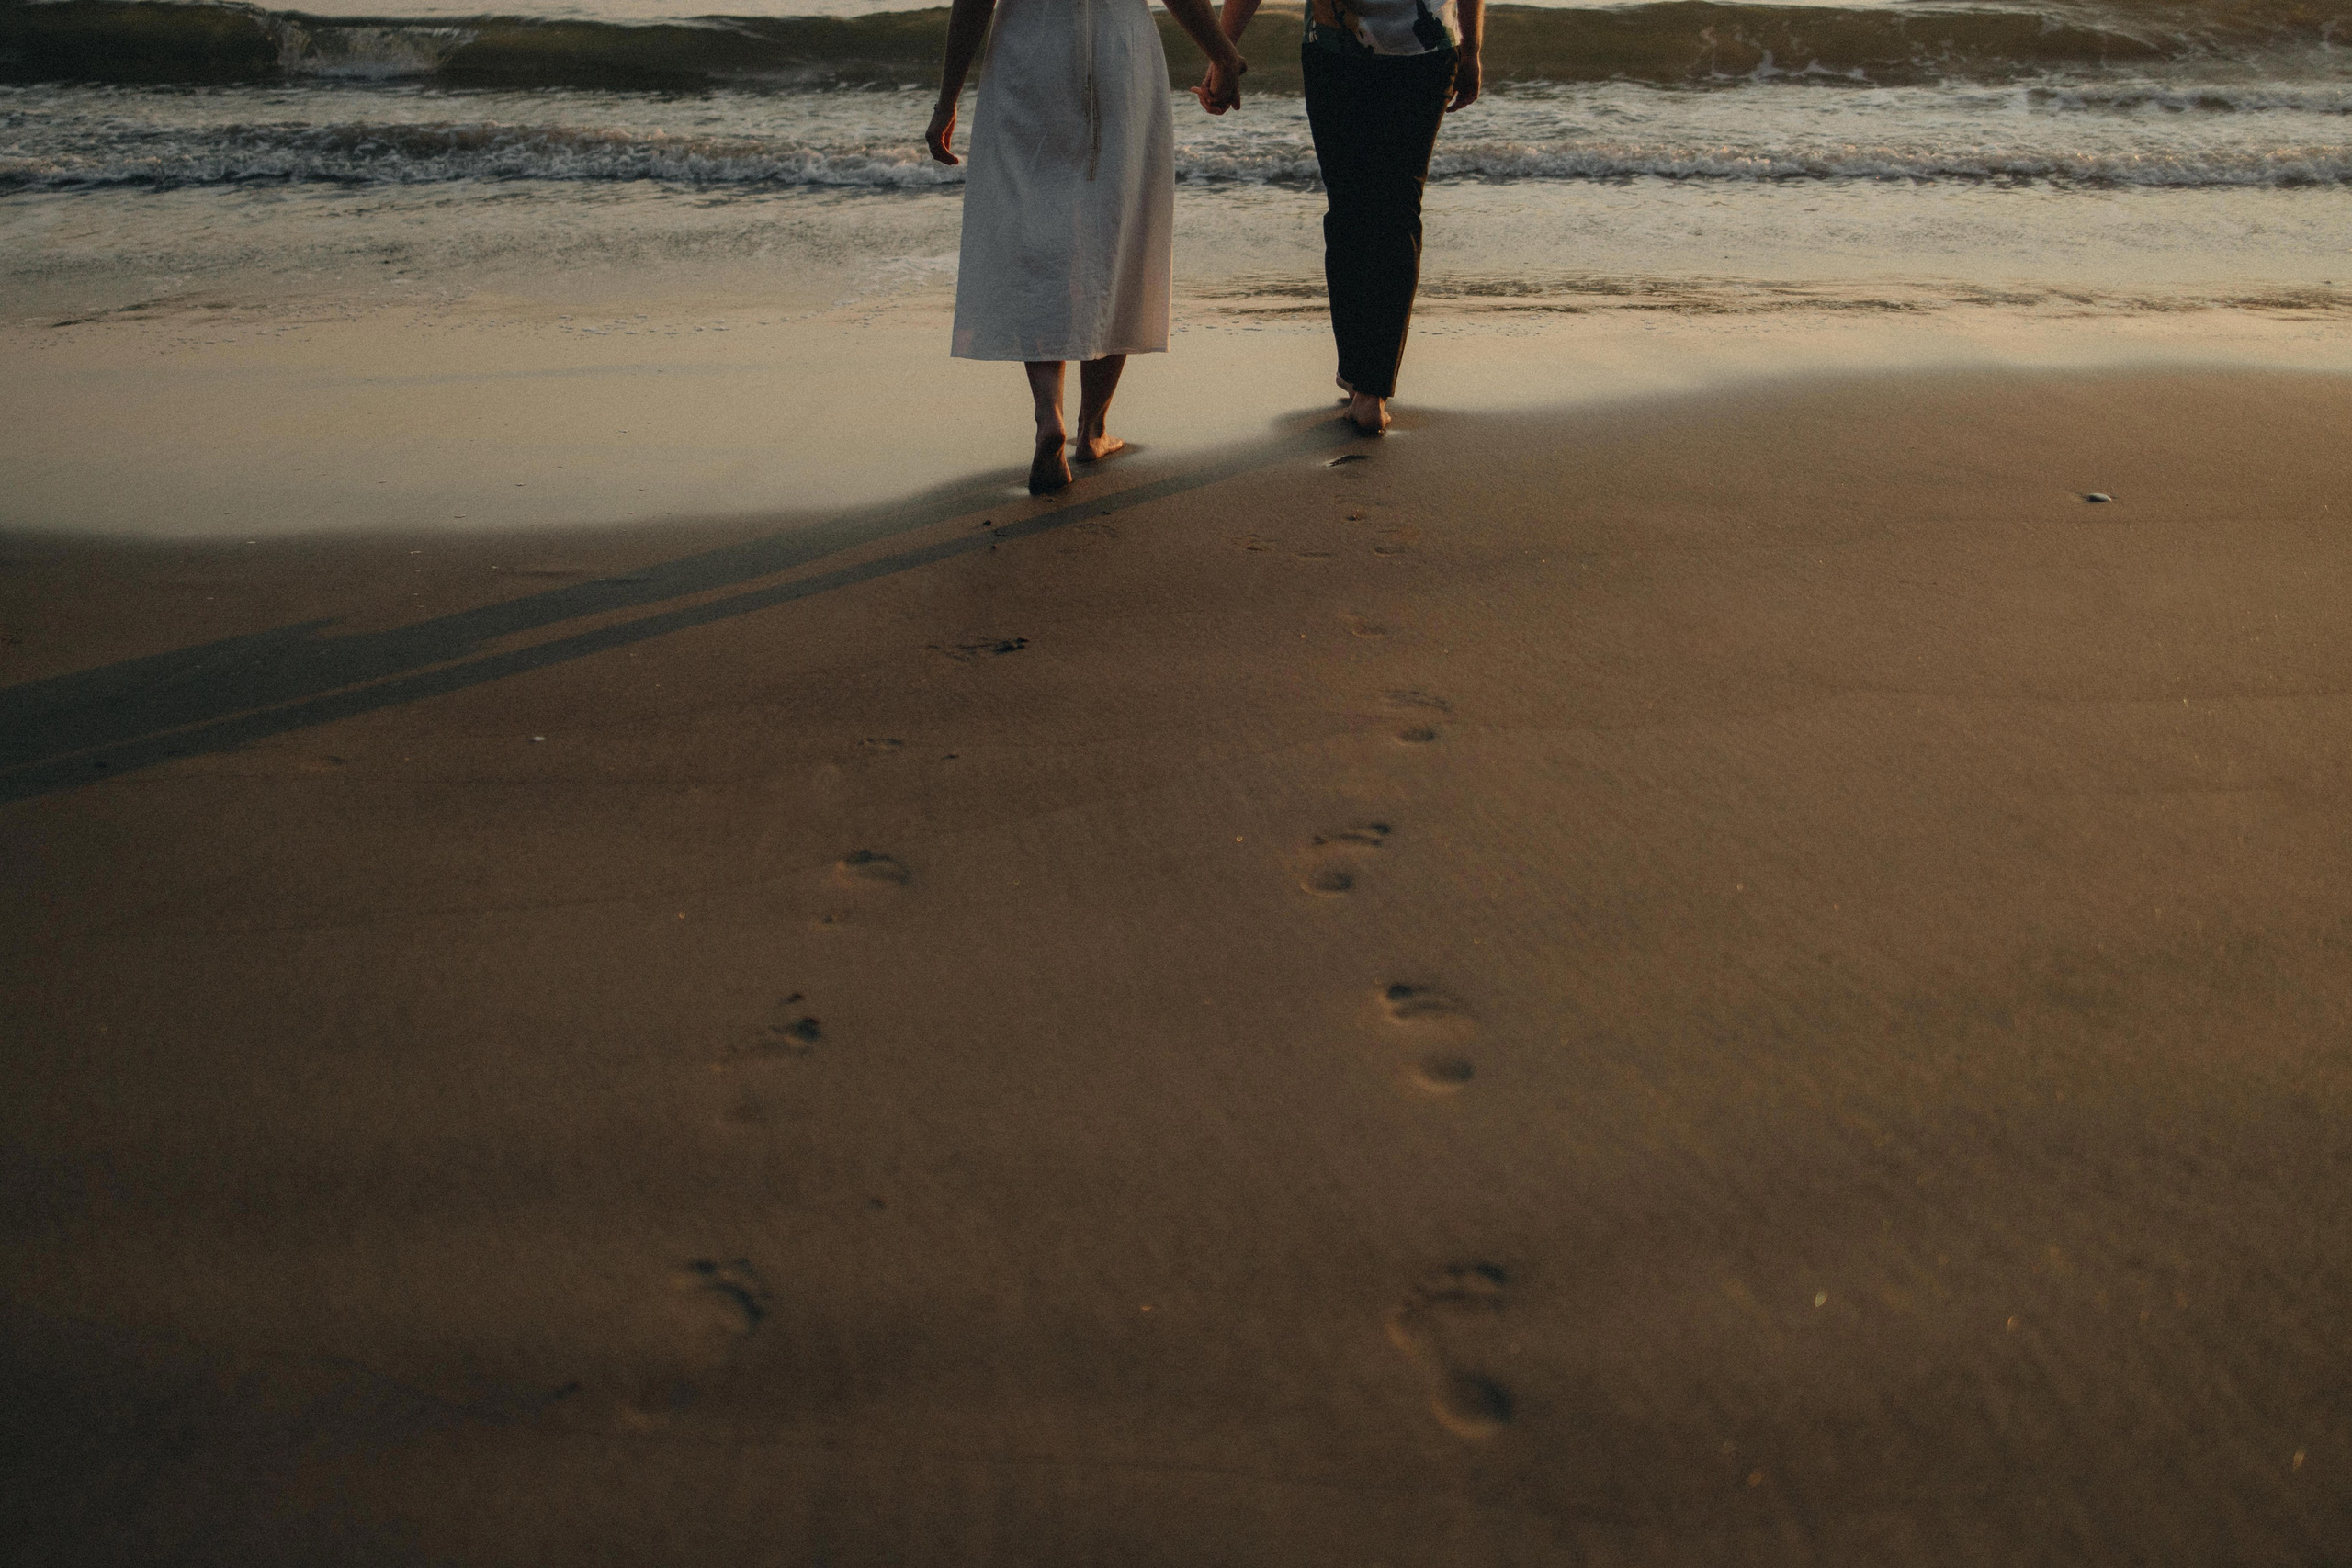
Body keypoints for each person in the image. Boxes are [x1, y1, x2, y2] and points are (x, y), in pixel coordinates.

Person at [928, 0, 1248, 494]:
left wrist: (947, 99)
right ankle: (1092, 429)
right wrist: (1222, 55)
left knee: (1035, 226)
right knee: (1117, 225)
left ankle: (1046, 414)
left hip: (1030, 49)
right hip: (1121, 47)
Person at [1199, 0, 1481, 434]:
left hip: (1335, 47)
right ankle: (1370, 390)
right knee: (1398, 209)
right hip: (1424, 49)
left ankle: (1358, 375)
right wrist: (1471, 48)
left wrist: (1223, 51)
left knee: (1347, 206)